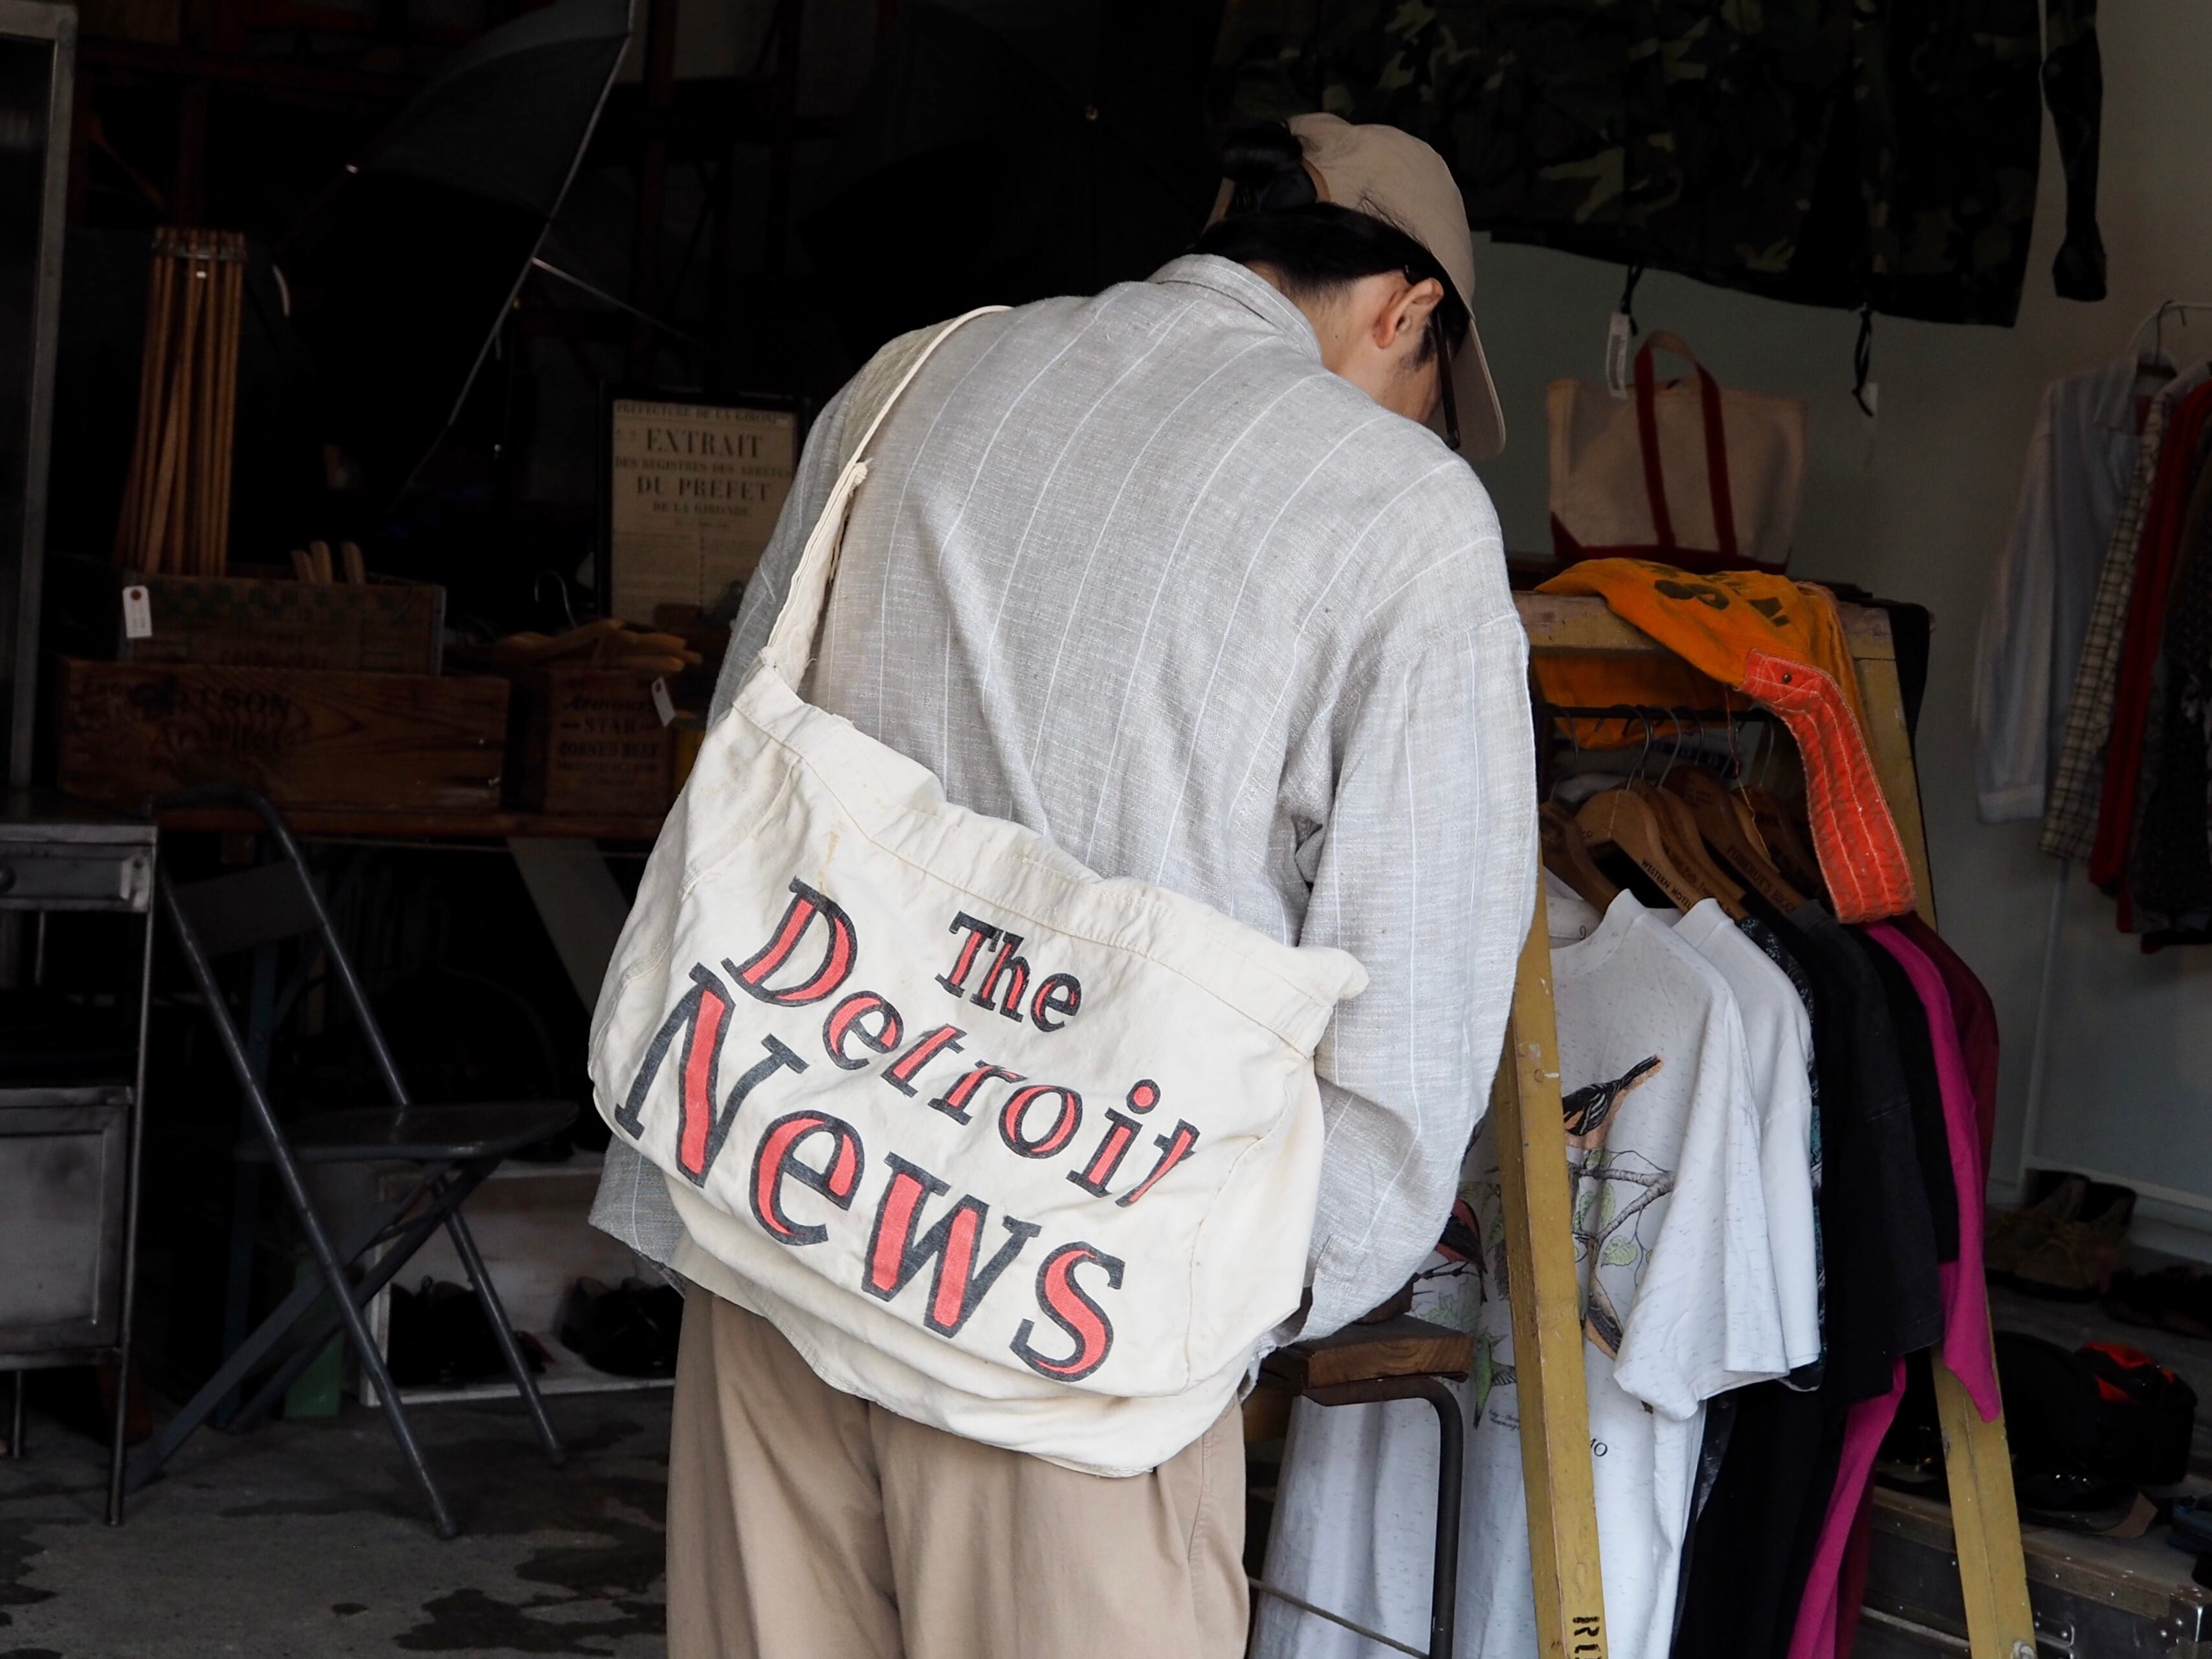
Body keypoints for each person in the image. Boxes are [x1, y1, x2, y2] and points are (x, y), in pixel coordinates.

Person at [589, 112, 1537, 1659]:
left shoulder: (918, 376)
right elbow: (1417, 1016)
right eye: (1434, 387)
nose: (1420, 423)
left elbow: (747, 754)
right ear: (1406, 310)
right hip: (1076, 1327)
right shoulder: (1401, 513)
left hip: (780, 1223)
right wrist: (1236, 1296)